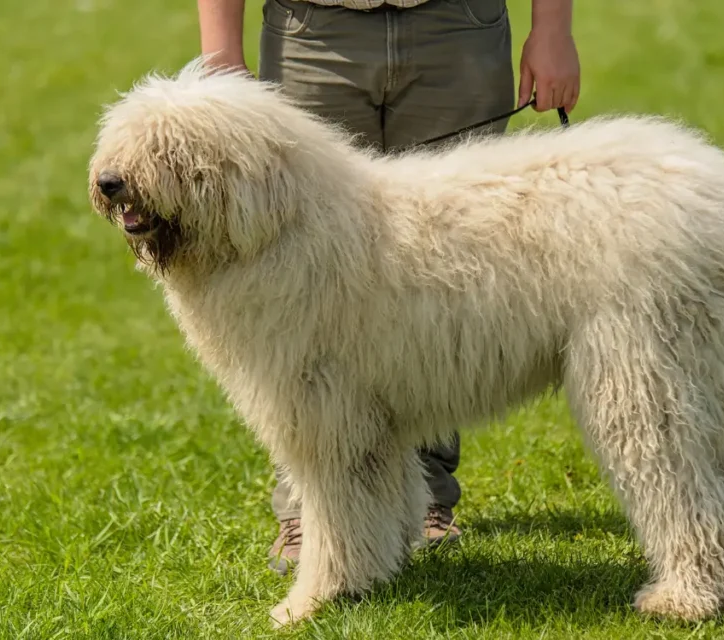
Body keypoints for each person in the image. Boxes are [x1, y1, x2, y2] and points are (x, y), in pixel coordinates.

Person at [196, 0, 580, 574]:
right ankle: (309, 509)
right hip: (313, 32)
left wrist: (552, 29)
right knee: (295, 280)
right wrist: (221, 49)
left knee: (446, 272)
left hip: (459, 29)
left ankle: (423, 497)